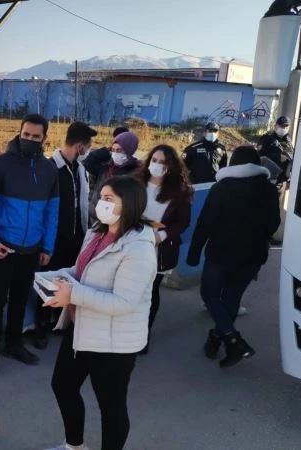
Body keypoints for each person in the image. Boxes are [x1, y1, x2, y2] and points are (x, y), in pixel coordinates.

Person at [44, 176, 157, 450]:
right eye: (101, 198)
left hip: (114, 342)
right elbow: (81, 271)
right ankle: (74, 445)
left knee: (111, 407)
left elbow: (124, 302)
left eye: (109, 200)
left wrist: (72, 295)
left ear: (128, 204)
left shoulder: (139, 247)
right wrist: (52, 277)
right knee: (63, 386)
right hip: (82, 326)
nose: (101, 204)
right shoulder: (97, 231)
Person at [0, 113, 59, 374]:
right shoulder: (1, 163)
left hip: (32, 249)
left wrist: (47, 246)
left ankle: (13, 343)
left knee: (21, 297)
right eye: (26, 135)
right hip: (3, 246)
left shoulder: (49, 170)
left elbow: (52, 211)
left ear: (44, 139)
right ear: (19, 133)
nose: (30, 140)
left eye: (36, 137)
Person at [187, 146, 280, 368]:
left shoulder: (223, 187)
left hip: (221, 253)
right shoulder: (268, 189)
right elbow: (274, 223)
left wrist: (194, 252)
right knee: (232, 297)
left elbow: (205, 222)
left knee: (210, 294)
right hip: (253, 255)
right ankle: (216, 339)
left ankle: (233, 340)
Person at [33, 122, 97, 350]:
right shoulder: (51, 169)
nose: (89, 150)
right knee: (47, 284)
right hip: (53, 240)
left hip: (75, 237)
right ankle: (40, 327)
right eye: (88, 146)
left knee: (68, 283)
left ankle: (60, 323)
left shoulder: (79, 169)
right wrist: (44, 244)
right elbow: (42, 210)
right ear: (79, 146)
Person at [135, 145, 193, 354]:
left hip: (160, 248)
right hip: (133, 243)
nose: (157, 165)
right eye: (154, 160)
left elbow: (183, 222)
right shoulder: (135, 183)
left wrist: (163, 234)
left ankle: (143, 335)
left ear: (171, 166)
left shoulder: (180, 191)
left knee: (150, 291)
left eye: (162, 162)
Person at [85, 131, 141, 224]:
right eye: (113, 150)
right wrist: (107, 150)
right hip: (95, 219)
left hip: (116, 221)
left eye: (119, 150)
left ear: (129, 150)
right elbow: (88, 162)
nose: (115, 154)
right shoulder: (106, 167)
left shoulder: (136, 172)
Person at [82, 126, 130, 192]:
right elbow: (87, 162)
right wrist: (108, 151)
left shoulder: (130, 160)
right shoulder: (103, 158)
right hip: (100, 197)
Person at [257, 116, 294, 185]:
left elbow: (292, 157)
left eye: (286, 127)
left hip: (283, 180)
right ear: (276, 125)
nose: (284, 129)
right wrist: (278, 157)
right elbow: (259, 158)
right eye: (282, 126)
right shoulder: (267, 139)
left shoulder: (288, 141)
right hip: (268, 179)